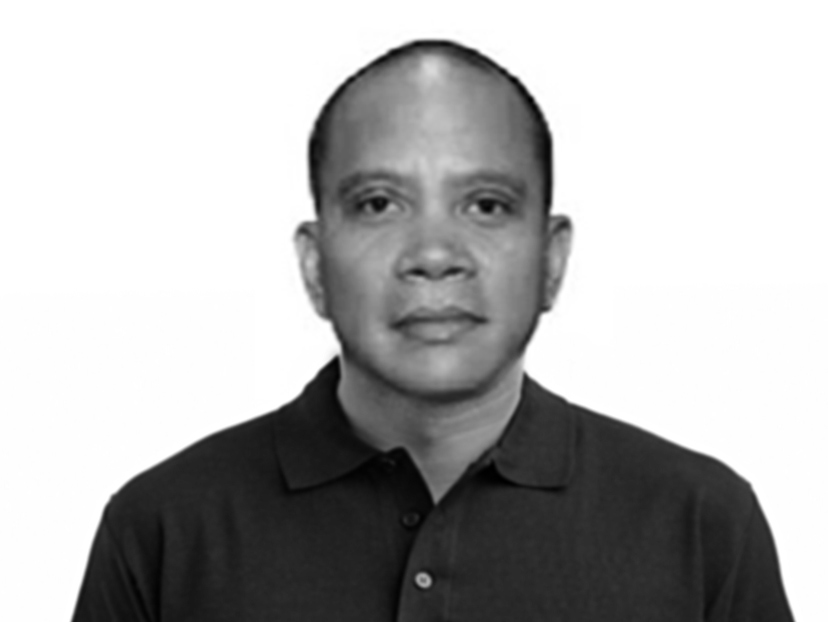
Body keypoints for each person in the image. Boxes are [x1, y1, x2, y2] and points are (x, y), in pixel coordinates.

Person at [72, 40, 795, 621]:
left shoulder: (700, 523)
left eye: (486, 205)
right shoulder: (163, 530)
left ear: (551, 260)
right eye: (378, 203)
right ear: (315, 265)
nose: (434, 255)